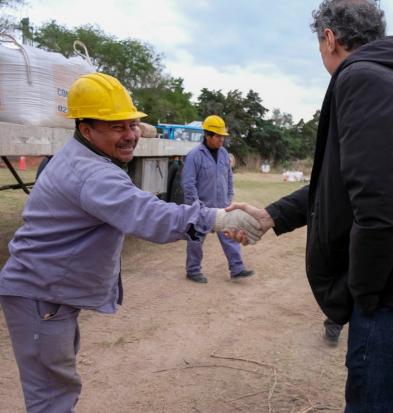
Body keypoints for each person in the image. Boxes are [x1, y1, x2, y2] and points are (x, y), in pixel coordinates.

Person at [226, 0, 393, 411]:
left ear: (329, 39)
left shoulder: (361, 79)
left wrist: (364, 294)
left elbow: (383, 208)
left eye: (320, 44)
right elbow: (349, 182)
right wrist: (276, 214)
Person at [0, 73, 262, 413]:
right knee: (51, 399)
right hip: (40, 295)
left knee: (56, 389)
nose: (131, 135)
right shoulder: (93, 173)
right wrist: (219, 219)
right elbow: (148, 214)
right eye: (116, 127)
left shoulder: (81, 158)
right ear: (86, 129)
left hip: (46, 292)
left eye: (132, 125)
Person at [181, 115, 255, 282]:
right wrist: (195, 206)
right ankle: (192, 271)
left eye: (223, 136)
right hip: (202, 207)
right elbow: (188, 182)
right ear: (207, 135)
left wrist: (229, 196)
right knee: (196, 239)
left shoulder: (223, 154)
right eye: (218, 136)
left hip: (222, 205)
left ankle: (237, 268)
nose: (222, 139)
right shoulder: (194, 156)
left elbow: (229, 176)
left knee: (230, 235)